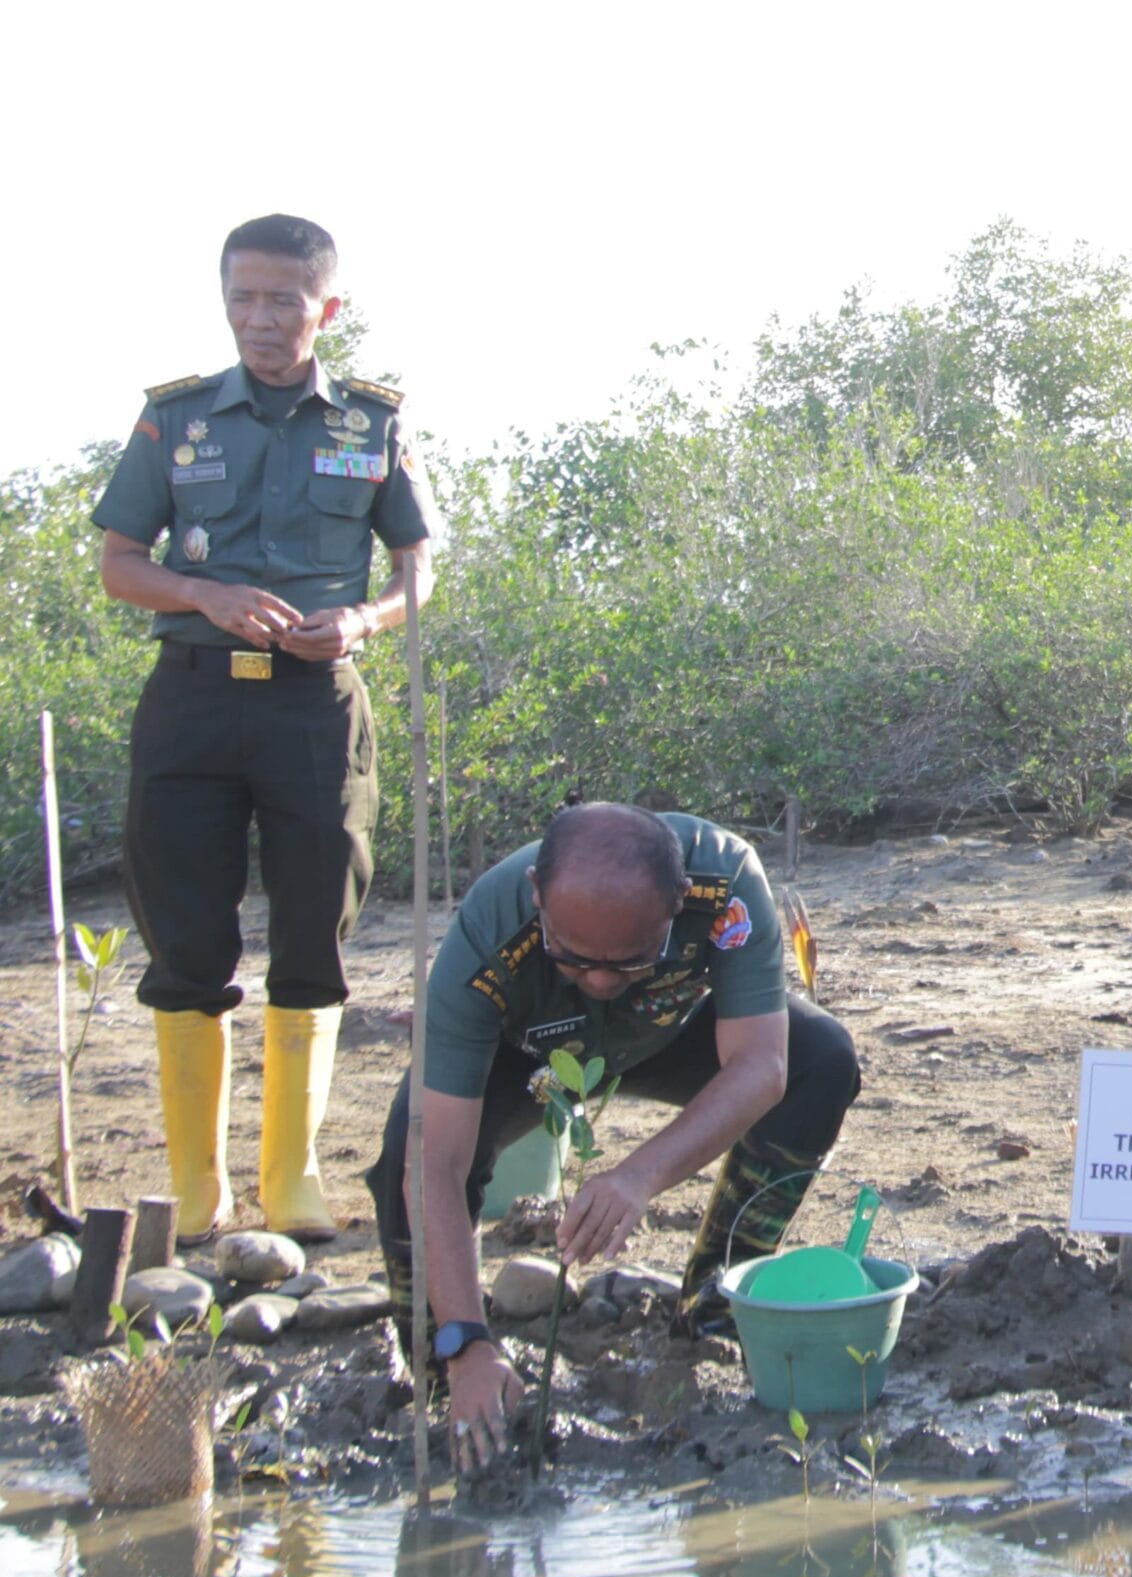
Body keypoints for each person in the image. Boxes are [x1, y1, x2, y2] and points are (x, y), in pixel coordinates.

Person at [90, 213, 438, 1245]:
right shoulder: (176, 419)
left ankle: (289, 1176)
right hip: (193, 698)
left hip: (313, 709)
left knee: (311, 933)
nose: (260, 318)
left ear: (325, 307)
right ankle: (195, 1187)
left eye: (283, 299)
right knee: (186, 938)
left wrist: (362, 620)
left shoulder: (369, 424)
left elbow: (420, 567)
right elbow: (118, 562)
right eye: (242, 297)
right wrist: (204, 594)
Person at [364, 803, 859, 1470]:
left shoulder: (726, 884)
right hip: (525, 1054)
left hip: (668, 1029)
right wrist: (467, 1345)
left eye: (628, 960)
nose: (598, 980)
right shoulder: (487, 929)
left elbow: (762, 1068)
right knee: (405, 1147)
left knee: (822, 1060)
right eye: (573, 958)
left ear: (677, 905)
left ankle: (715, 1301)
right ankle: (436, 1359)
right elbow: (437, 1162)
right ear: (539, 895)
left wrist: (637, 1176)